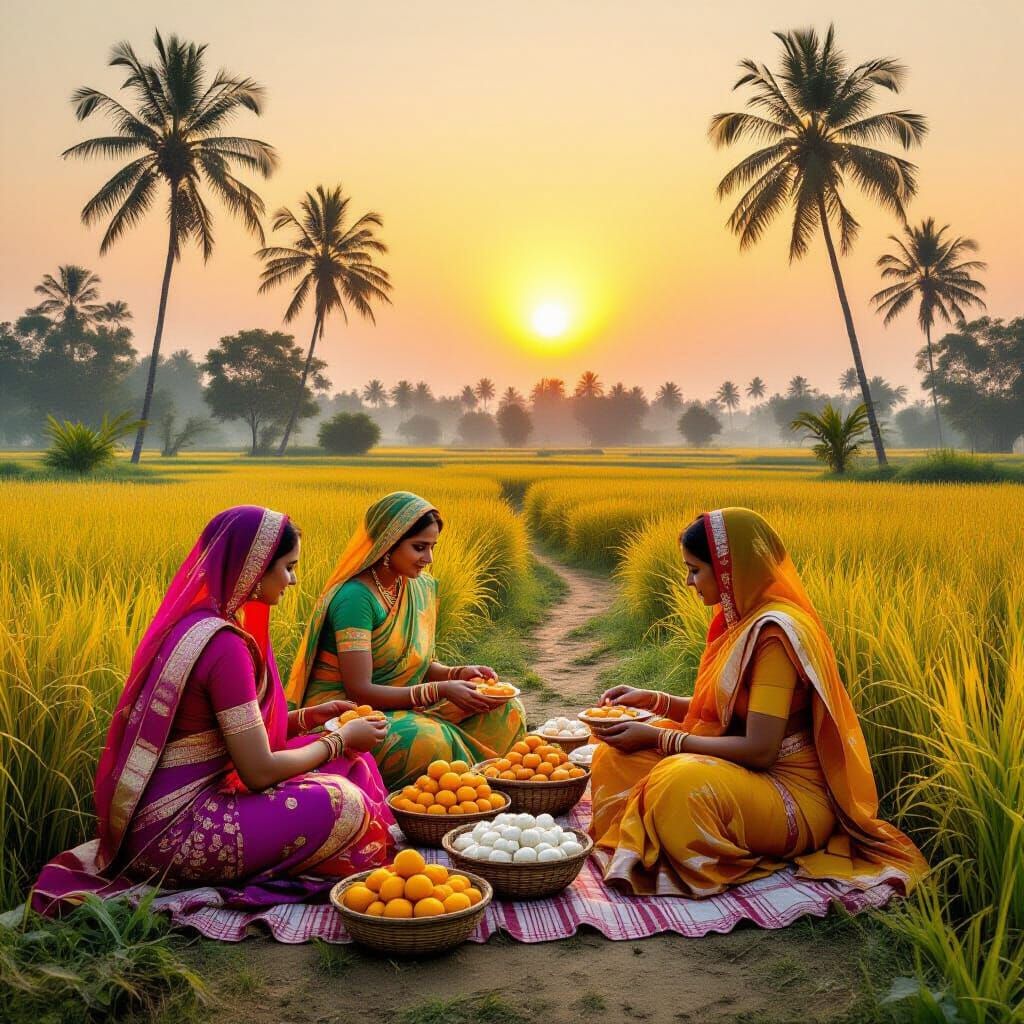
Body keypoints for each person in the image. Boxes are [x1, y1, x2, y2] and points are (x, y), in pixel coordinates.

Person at [33, 506, 393, 914]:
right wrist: (339, 738)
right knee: (346, 804)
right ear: (255, 568)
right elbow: (257, 771)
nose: (294, 580)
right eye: (289, 567)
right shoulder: (225, 646)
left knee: (346, 766)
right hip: (178, 835)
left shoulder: (197, 624)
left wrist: (309, 718)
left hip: (150, 823)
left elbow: (226, 732)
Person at [589, 507, 926, 897]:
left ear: (731, 569)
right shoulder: (741, 621)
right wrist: (656, 701)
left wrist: (659, 739)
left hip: (792, 794)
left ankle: (677, 846)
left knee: (675, 781)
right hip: (740, 772)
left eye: (695, 570)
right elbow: (726, 711)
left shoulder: (774, 634)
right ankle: (653, 840)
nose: (688, 582)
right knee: (614, 757)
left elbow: (761, 749)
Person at [286, 491, 526, 789]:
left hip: (404, 704)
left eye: (432, 547)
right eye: (419, 547)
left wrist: (457, 674)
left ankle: (479, 787)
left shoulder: (415, 588)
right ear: (388, 544)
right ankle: (452, 794)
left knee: (504, 710)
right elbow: (359, 690)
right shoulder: (355, 598)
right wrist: (440, 690)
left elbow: (415, 665)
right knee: (429, 741)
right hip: (353, 715)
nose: (429, 559)